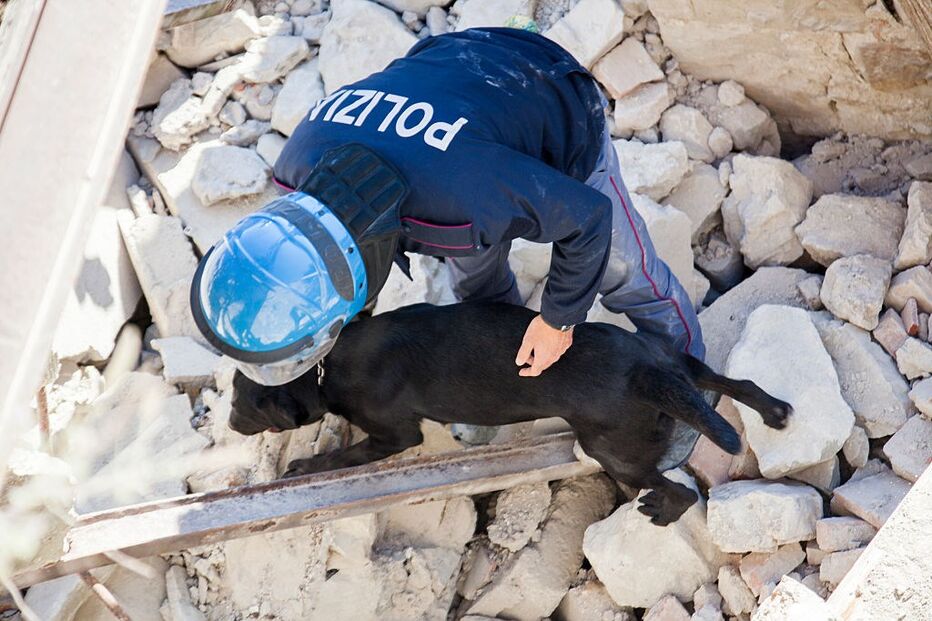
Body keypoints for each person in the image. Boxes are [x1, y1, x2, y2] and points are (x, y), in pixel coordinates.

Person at [190, 26, 704, 387]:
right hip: (451, 70)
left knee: (625, 274)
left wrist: (558, 323)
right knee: (475, 281)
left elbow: (588, 216)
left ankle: (693, 377)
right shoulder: (297, 163)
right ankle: (507, 365)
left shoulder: (461, 202)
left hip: (551, 93)